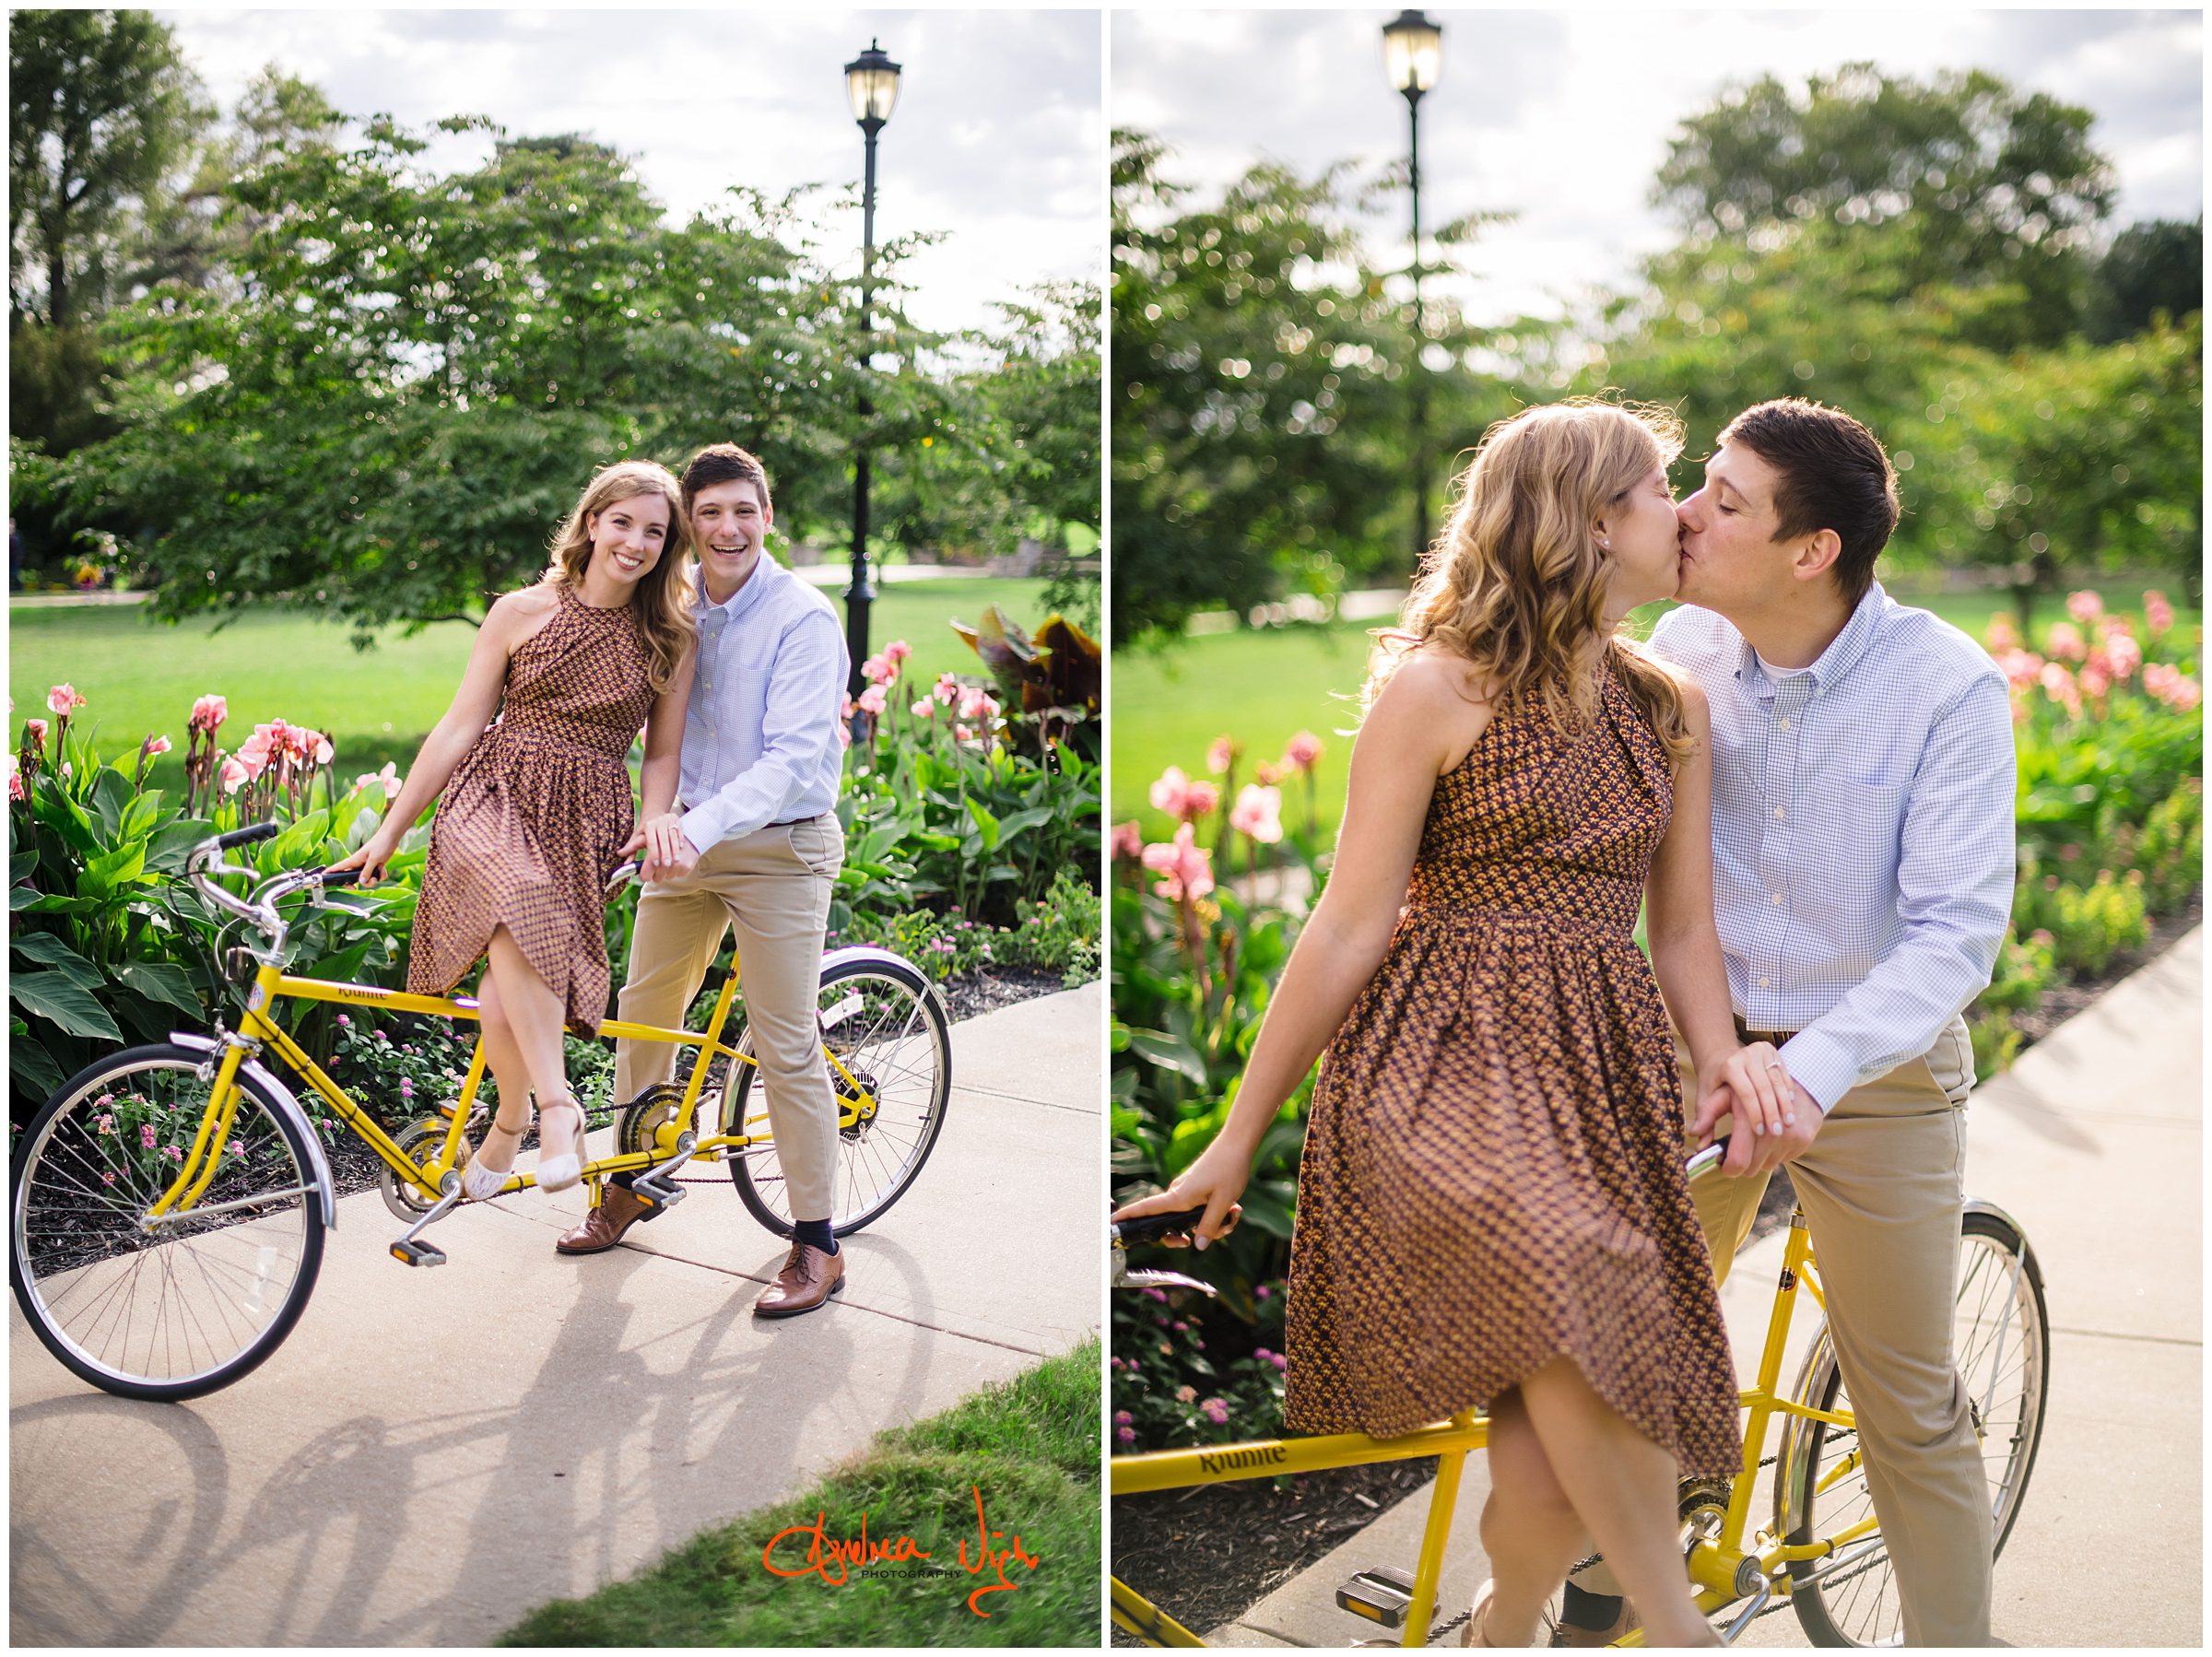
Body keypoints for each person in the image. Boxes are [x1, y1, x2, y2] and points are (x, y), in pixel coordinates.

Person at [1113, 401, 1797, 1649]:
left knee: (1551, 1445)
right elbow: (1343, 926)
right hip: (1437, 1070)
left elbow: (1685, 929)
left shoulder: (1670, 706)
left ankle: (1501, 1627)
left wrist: (1717, 1056)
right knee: (1577, 1274)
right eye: (1659, 489)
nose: (1684, 512)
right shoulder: (1438, 689)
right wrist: (1235, 1131)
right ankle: (1681, 1630)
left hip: (1599, 1067)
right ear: (1588, 522)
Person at [1558, 398, 2016, 1648]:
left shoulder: (1947, 688)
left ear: (1812, 551)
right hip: (1697, 1054)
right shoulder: (1687, 642)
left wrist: (1805, 1070)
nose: (1689, 512)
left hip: (1872, 1072)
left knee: (1907, 1406)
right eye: (1701, 483)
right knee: (1624, 1367)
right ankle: (1595, 1619)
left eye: (1727, 499)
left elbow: (1954, 937)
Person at [336, 461, 698, 1198]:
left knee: (510, 978)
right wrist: (391, 829)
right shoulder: (519, 611)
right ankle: (558, 1107)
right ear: (592, 521)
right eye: (622, 522)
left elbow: (662, 751)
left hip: (585, 805)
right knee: (518, 898)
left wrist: (658, 816)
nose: (635, 542)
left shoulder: (670, 636)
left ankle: (505, 1124)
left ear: (667, 546)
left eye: (655, 532)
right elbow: (459, 726)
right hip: (494, 789)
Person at [552, 443, 853, 1323]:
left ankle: (817, 1243)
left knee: (782, 1039)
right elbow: (649, 735)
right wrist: (643, 827)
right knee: (641, 1011)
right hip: (683, 842)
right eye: (710, 513)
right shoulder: (675, 608)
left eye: (744, 511)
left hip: (779, 847)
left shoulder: (803, 618)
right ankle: (631, 1181)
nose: (728, 528)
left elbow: (794, 759)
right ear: (690, 521)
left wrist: (689, 827)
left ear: (768, 517)